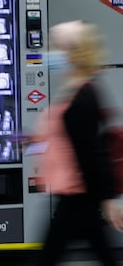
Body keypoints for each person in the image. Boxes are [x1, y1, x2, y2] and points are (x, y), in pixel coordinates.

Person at [32, 20, 123, 266]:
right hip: (74, 193)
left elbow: (92, 151)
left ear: (73, 53)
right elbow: (67, 138)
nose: (49, 53)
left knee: (50, 256)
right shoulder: (73, 90)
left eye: (55, 47)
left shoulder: (84, 95)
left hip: (77, 193)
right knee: (99, 252)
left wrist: (107, 199)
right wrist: (33, 141)